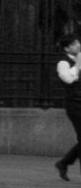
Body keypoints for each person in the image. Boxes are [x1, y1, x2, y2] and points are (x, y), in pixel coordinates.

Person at [57, 31, 81, 179]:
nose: (78, 45)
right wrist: (78, 62)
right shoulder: (63, 63)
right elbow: (68, 79)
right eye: (74, 44)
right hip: (75, 105)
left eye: (78, 42)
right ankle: (63, 163)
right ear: (67, 48)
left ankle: (64, 163)